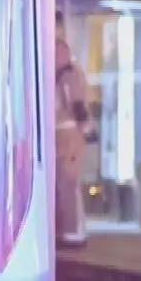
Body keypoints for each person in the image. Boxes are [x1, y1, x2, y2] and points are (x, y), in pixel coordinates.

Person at [52, 12, 94, 248]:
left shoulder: (67, 75)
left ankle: (72, 232)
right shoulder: (68, 73)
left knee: (68, 183)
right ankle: (69, 230)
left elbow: (77, 105)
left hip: (67, 135)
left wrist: (86, 130)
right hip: (65, 135)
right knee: (66, 183)